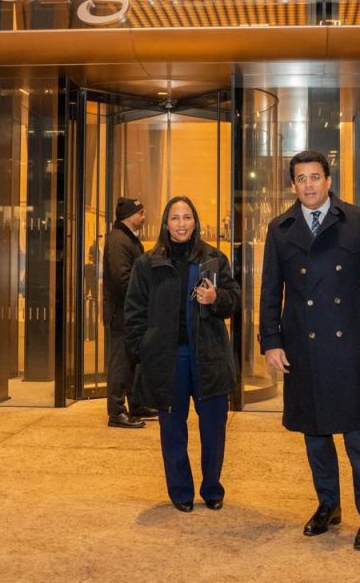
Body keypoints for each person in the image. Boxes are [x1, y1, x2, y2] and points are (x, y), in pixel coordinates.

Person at [259, 149, 360, 551]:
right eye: (301, 179)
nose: (309, 185)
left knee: (358, 434)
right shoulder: (280, 228)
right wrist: (271, 341)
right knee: (315, 434)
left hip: (349, 346)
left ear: (328, 180)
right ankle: (328, 505)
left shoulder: (357, 220)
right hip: (303, 346)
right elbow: (270, 291)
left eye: (315, 177)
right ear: (293, 185)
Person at [125, 196, 241, 512]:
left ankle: (212, 488)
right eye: (175, 218)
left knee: (214, 428)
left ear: (195, 222)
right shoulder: (147, 264)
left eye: (187, 217)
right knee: (172, 429)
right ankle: (181, 492)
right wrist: (143, 349)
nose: (181, 224)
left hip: (209, 357)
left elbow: (233, 301)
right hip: (169, 359)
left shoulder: (214, 259)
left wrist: (216, 298)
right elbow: (133, 313)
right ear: (166, 223)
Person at [103, 197, 150, 429]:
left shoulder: (127, 238)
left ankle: (136, 404)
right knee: (121, 362)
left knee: (131, 360)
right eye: (141, 213)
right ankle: (117, 412)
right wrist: (143, 296)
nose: (144, 217)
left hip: (130, 311)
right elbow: (122, 279)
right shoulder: (119, 240)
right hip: (122, 312)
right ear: (130, 216)